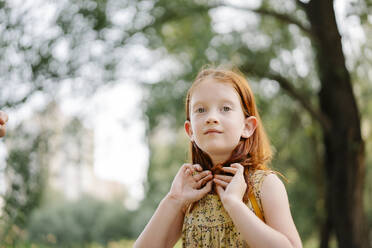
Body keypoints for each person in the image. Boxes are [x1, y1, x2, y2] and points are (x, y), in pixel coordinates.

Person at [134, 66, 302, 248]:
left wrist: (234, 204)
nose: (211, 118)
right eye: (200, 110)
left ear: (247, 126)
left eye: (225, 108)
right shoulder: (190, 193)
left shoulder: (264, 185)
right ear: (190, 130)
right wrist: (173, 199)